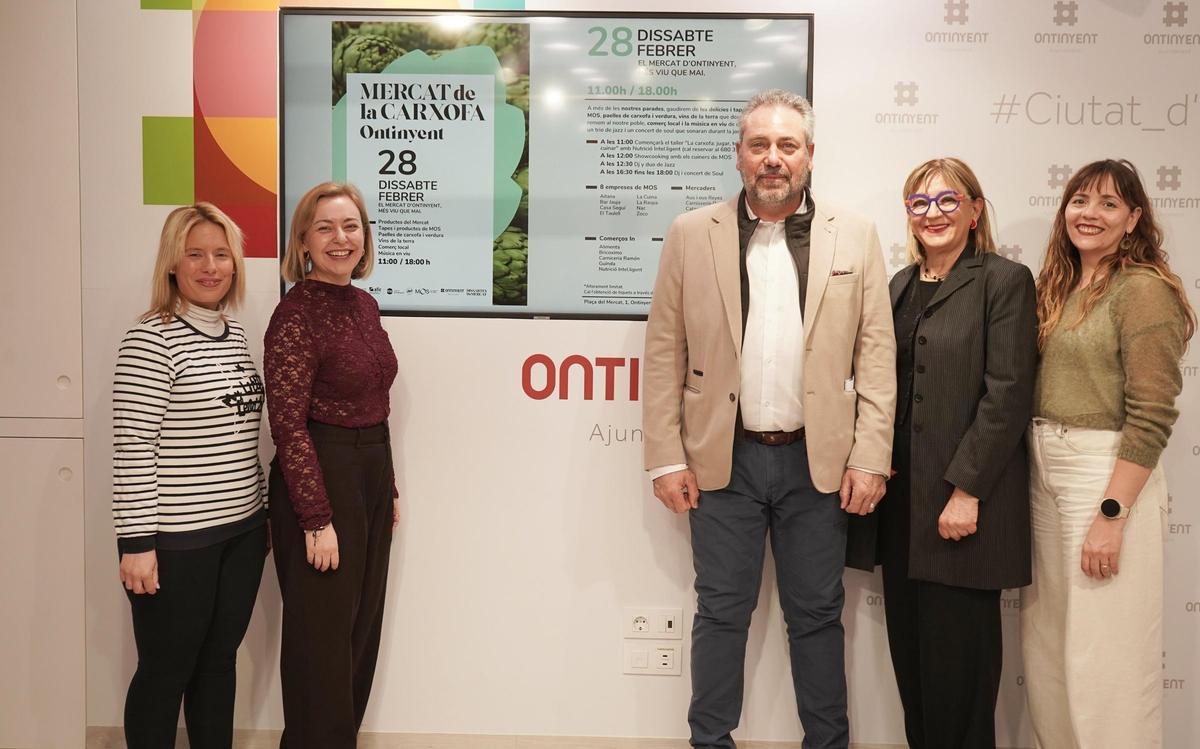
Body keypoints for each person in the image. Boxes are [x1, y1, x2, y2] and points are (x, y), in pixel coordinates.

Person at [642, 89, 896, 749]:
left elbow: (876, 353)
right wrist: (666, 455)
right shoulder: (692, 233)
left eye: (787, 145)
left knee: (816, 616)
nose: (773, 159)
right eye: (760, 145)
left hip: (819, 462)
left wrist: (870, 455)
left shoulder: (857, 234)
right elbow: (664, 349)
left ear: (810, 155)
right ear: (739, 155)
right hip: (723, 460)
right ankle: (709, 741)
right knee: (721, 613)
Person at [1021, 159, 1194, 749]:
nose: (1089, 214)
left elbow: (1152, 413)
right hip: (1044, 471)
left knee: (1106, 658)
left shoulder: (1143, 291)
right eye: (1079, 201)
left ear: (1134, 219)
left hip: (1105, 474)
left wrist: (1112, 515)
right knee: (1048, 647)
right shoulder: (1060, 285)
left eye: (1108, 204)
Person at [879, 158, 1037, 748]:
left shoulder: (1004, 279)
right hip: (901, 508)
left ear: (974, 211)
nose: (934, 214)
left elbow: (1008, 394)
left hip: (962, 509)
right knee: (913, 673)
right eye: (920, 203)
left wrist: (966, 491)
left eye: (948, 201)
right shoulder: (898, 284)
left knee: (959, 682)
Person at [112, 203, 267, 749]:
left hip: (242, 534)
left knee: (218, 665)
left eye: (221, 254)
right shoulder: (151, 339)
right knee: (165, 673)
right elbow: (134, 447)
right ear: (172, 263)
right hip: (176, 543)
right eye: (195, 254)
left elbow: (240, 434)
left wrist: (262, 514)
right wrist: (136, 543)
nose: (210, 266)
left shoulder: (236, 332)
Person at [264, 181, 399, 749]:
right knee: (320, 643)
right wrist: (316, 519)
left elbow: (377, 399)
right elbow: (288, 424)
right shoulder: (295, 313)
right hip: (320, 475)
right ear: (304, 241)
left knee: (358, 633)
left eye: (351, 226)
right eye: (325, 228)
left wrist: (387, 486)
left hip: (368, 473)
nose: (341, 238)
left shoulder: (363, 304)